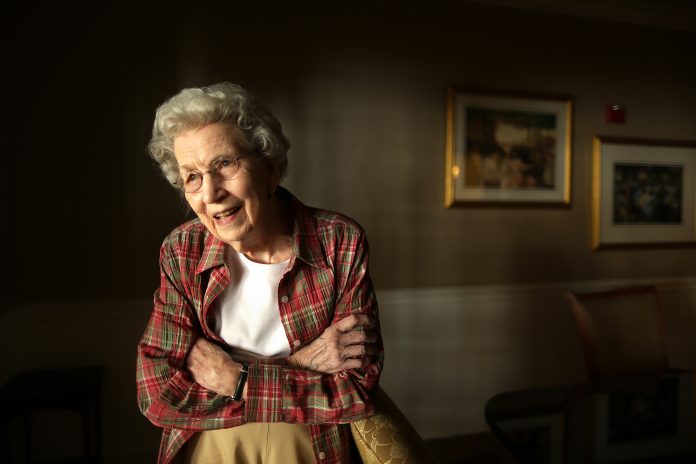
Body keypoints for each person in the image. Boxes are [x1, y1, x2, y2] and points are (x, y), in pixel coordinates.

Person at [136, 82, 384, 464]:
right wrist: (299, 365)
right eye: (192, 177)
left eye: (224, 164)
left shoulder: (339, 242)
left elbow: (356, 391)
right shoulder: (182, 250)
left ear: (270, 167)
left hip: (310, 442)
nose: (211, 192)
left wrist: (238, 380)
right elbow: (157, 394)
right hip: (212, 440)